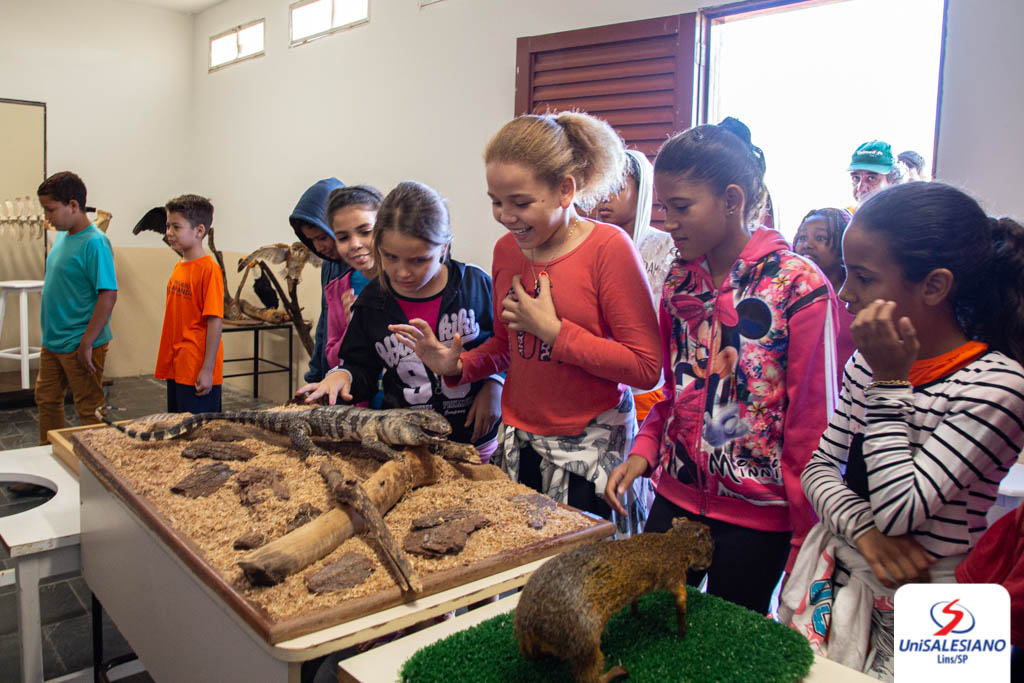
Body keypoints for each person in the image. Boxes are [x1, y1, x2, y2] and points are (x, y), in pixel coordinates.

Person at [780, 182, 1024, 680]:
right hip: (848, 575)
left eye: (863, 278)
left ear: (934, 286)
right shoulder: (868, 365)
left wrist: (892, 384)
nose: (845, 294)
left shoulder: (999, 385)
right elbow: (819, 470)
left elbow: (897, 512)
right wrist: (864, 534)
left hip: (942, 609)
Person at [605, 117, 838, 613]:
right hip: (675, 499)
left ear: (731, 200)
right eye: (663, 207)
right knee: (649, 625)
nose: (667, 222)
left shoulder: (798, 287)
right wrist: (644, 451)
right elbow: (675, 392)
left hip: (757, 521)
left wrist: (804, 539)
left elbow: (811, 428)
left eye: (681, 207)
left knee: (731, 649)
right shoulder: (678, 282)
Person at [390, 112, 661, 534]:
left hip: (587, 449)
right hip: (520, 440)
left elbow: (645, 367)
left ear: (565, 190)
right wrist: (456, 367)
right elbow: (505, 346)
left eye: (521, 203)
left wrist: (556, 333)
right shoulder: (507, 252)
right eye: (496, 201)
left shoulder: (608, 248)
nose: (505, 216)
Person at [299, 181, 503, 459]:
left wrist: (495, 384)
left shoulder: (475, 284)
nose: (402, 272)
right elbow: (360, 365)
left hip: (474, 440)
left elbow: (505, 344)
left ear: (443, 248)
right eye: (390, 257)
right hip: (408, 445)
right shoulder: (371, 302)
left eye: (419, 260)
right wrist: (341, 375)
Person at [34, 171, 118, 444]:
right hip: (54, 341)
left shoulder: (95, 242)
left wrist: (87, 343)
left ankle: (97, 472)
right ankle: (47, 458)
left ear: (73, 205)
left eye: (51, 209)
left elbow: (108, 295)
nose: (47, 217)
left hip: (81, 343)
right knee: (47, 400)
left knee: (89, 408)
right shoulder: (63, 236)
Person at [595, 148, 676, 423]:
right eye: (602, 187)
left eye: (617, 187)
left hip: (648, 387)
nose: (605, 197)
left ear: (641, 191)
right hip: (599, 383)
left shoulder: (665, 247)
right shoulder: (591, 248)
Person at [155, 194, 224, 413]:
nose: (169, 233)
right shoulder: (180, 266)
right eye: (168, 226)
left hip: (195, 368)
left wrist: (207, 369)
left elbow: (214, 321)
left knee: (199, 436)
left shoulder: (209, 270)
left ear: (199, 231)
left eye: (176, 227)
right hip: (177, 365)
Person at [290, 177, 345, 384]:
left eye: (322, 238)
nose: (318, 247)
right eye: (310, 240)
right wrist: (315, 376)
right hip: (329, 376)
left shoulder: (362, 269)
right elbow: (326, 325)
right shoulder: (329, 264)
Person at [320, 185, 382, 365]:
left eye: (365, 232)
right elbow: (333, 359)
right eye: (343, 237)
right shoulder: (338, 289)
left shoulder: (406, 281)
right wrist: (353, 327)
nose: (355, 244)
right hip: (361, 391)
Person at [793, 208, 856, 381]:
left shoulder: (855, 299)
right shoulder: (790, 298)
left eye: (820, 238)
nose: (807, 244)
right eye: (802, 237)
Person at [848, 140, 904, 209]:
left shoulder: (907, 217)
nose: (860, 189)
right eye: (856, 178)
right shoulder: (846, 217)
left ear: (893, 183)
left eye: (871, 178)